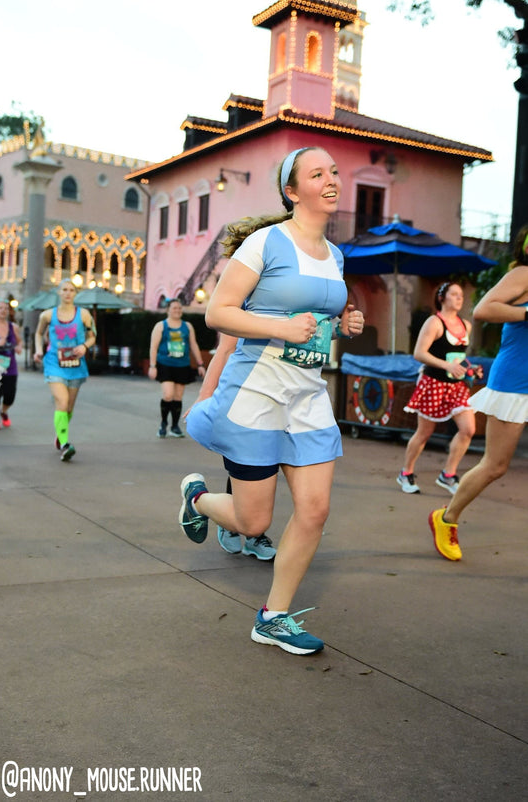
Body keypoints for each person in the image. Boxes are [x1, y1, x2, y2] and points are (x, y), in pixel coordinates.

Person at [178, 146, 365, 655]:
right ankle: (197, 500)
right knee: (253, 522)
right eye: (317, 173)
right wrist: (279, 326)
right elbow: (219, 313)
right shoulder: (266, 243)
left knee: (315, 510)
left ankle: (274, 616)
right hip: (256, 394)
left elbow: (317, 324)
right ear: (291, 191)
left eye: (334, 171)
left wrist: (343, 326)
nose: (331, 179)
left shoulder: (337, 255)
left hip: (306, 396)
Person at [429, 224, 528, 561]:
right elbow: (484, 309)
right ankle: (447, 518)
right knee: (496, 465)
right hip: (516, 381)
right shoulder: (524, 274)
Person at [186, 331, 277, 561]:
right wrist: (204, 395)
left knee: (269, 469)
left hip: (286, 398)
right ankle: (227, 519)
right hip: (246, 398)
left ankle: (251, 532)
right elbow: (226, 347)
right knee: (249, 461)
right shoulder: (245, 299)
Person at [396, 281, 482, 495]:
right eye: (454, 294)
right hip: (433, 383)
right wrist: (447, 366)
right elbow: (419, 353)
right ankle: (406, 473)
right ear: (442, 298)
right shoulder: (434, 322)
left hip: (456, 386)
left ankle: (448, 474)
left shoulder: (466, 325)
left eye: (461, 295)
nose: (459, 298)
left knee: (468, 429)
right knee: (425, 432)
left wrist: (471, 369)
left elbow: (459, 359)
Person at [33, 279, 96, 461]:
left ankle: (60, 435)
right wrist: (38, 350)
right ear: (59, 293)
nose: (68, 293)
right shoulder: (47, 315)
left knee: (68, 407)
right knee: (61, 401)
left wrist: (84, 346)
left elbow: (93, 336)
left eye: (72, 290)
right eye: (65, 290)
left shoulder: (84, 315)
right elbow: (38, 333)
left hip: (76, 365)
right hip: (54, 362)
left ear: (75, 294)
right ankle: (65, 443)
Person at [148, 298, 206, 438]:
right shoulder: (161, 326)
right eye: (174, 308)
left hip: (182, 365)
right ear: (168, 310)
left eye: (179, 308)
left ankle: (174, 426)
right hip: (165, 364)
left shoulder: (187, 326)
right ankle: (163, 424)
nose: (177, 310)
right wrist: (152, 366)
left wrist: (200, 364)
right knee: (168, 395)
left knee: (178, 396)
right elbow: (153, 347)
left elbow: (193, 345)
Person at [0, 298, 23, 429]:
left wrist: (19, 347)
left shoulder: (14, 327)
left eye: (6, 308)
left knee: (10, 396)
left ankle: (4, 411)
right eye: (1, 308)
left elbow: (20, 341)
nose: (3, 311)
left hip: (11, 368)